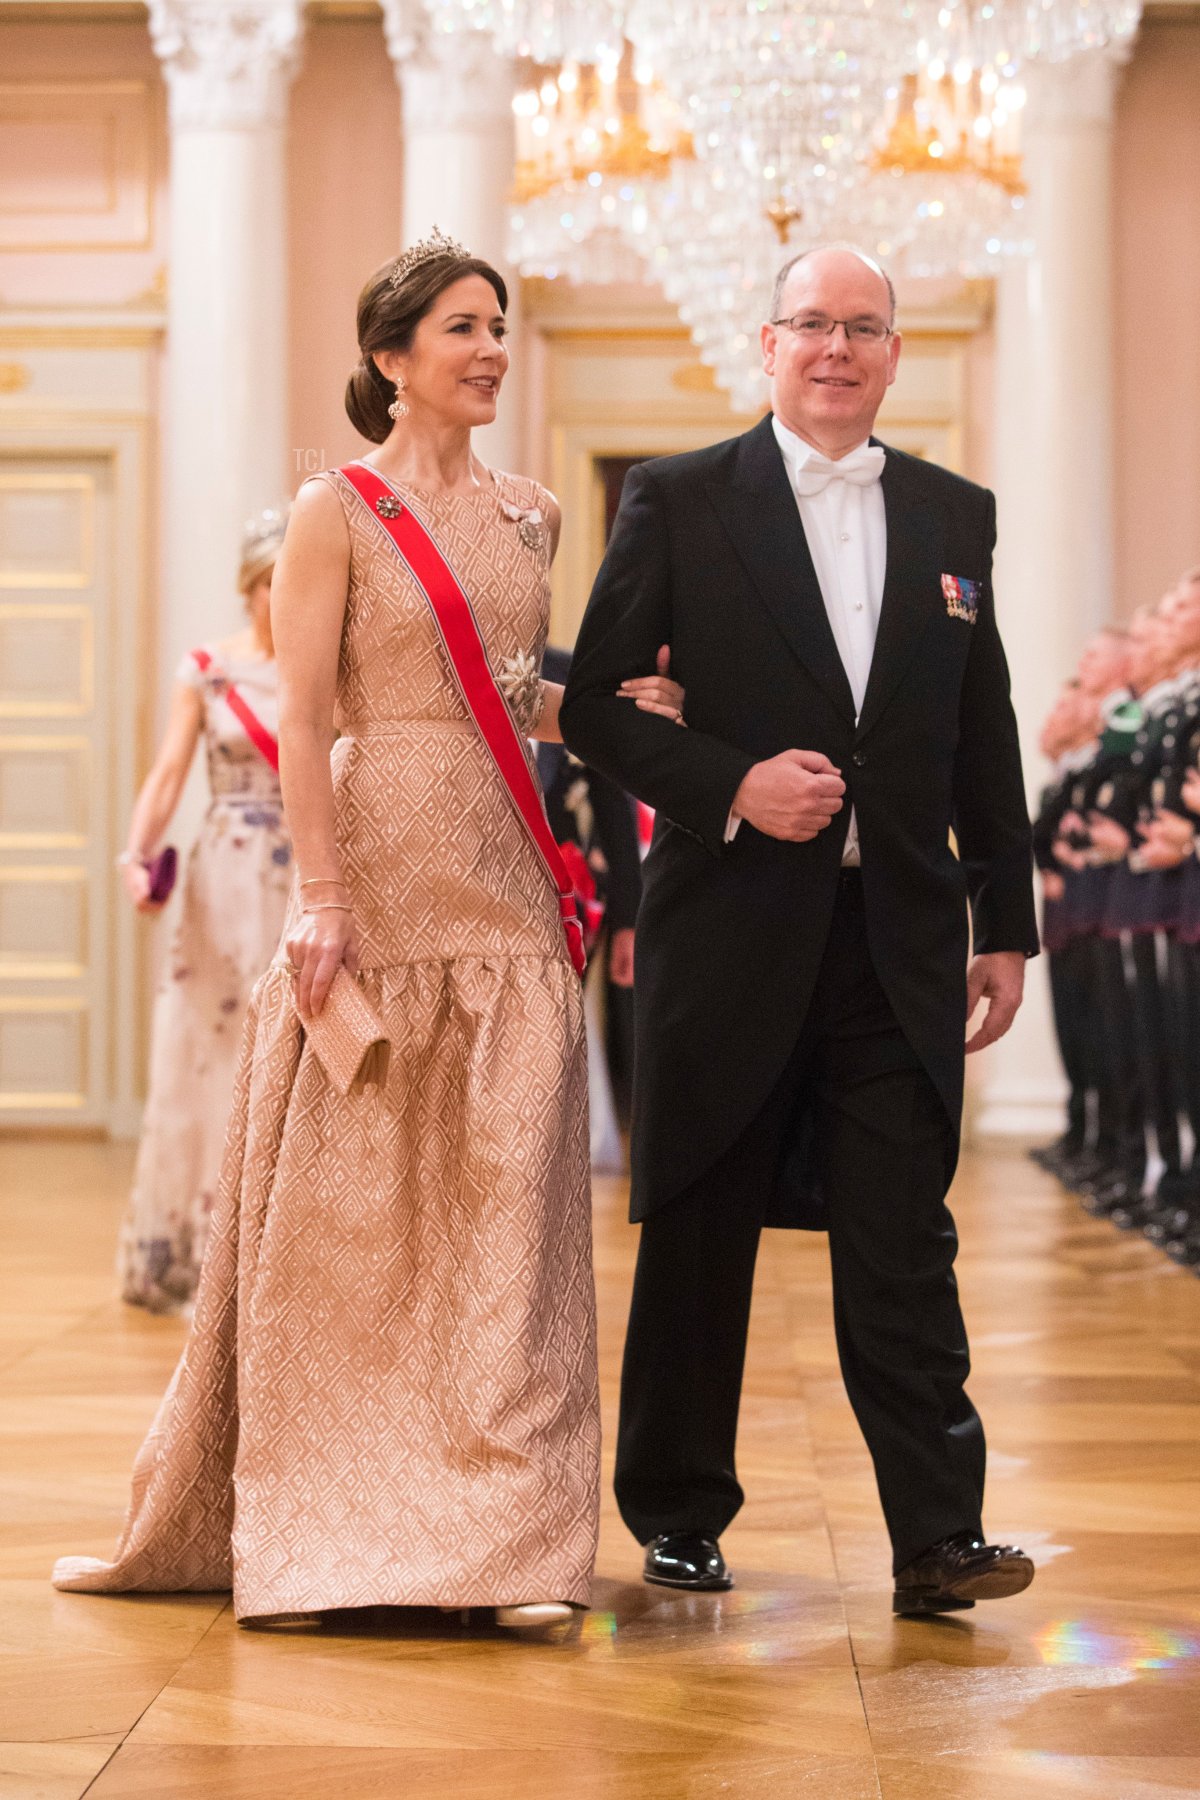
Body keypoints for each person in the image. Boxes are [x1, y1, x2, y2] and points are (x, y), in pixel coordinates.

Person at [54, 232, 685, 1629]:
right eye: (462, 328)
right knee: (363, 1205)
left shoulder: (533, 515)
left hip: (511, 869)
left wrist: (608, 717)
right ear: (392, 358)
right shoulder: (332, 509)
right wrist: (323, 897)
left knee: (513, 1195)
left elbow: (514, 695)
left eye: (500, 326)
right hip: (382, 864)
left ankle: (511, 1543)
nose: (491, 350)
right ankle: (346, 1513)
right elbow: (310, 718)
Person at [561, 243, 1040, 1616]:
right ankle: (677, 1514)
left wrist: (1003, 920)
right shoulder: (680, 497)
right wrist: (733, 787)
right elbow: (594, 704)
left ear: (896, 356)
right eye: (814, 325)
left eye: (867, 328)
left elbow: (978, 728)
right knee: (703, 1226)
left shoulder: (958, 514)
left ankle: (939, 1534)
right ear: (766, 346)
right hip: (729, 936)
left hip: (895, 937)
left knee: (904, 1237)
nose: (839, 348)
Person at [115, 510, 291, 1312]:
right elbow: (167, 773)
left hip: (305, 876)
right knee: (213, 1049)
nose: (283, 596)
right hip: (224, 876)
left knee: (290, 1056)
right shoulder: (209, 671)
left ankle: (277, 1258)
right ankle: (202, 1253)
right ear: (249, 585)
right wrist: (136, 853)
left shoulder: (330, 669)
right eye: (270, 581)